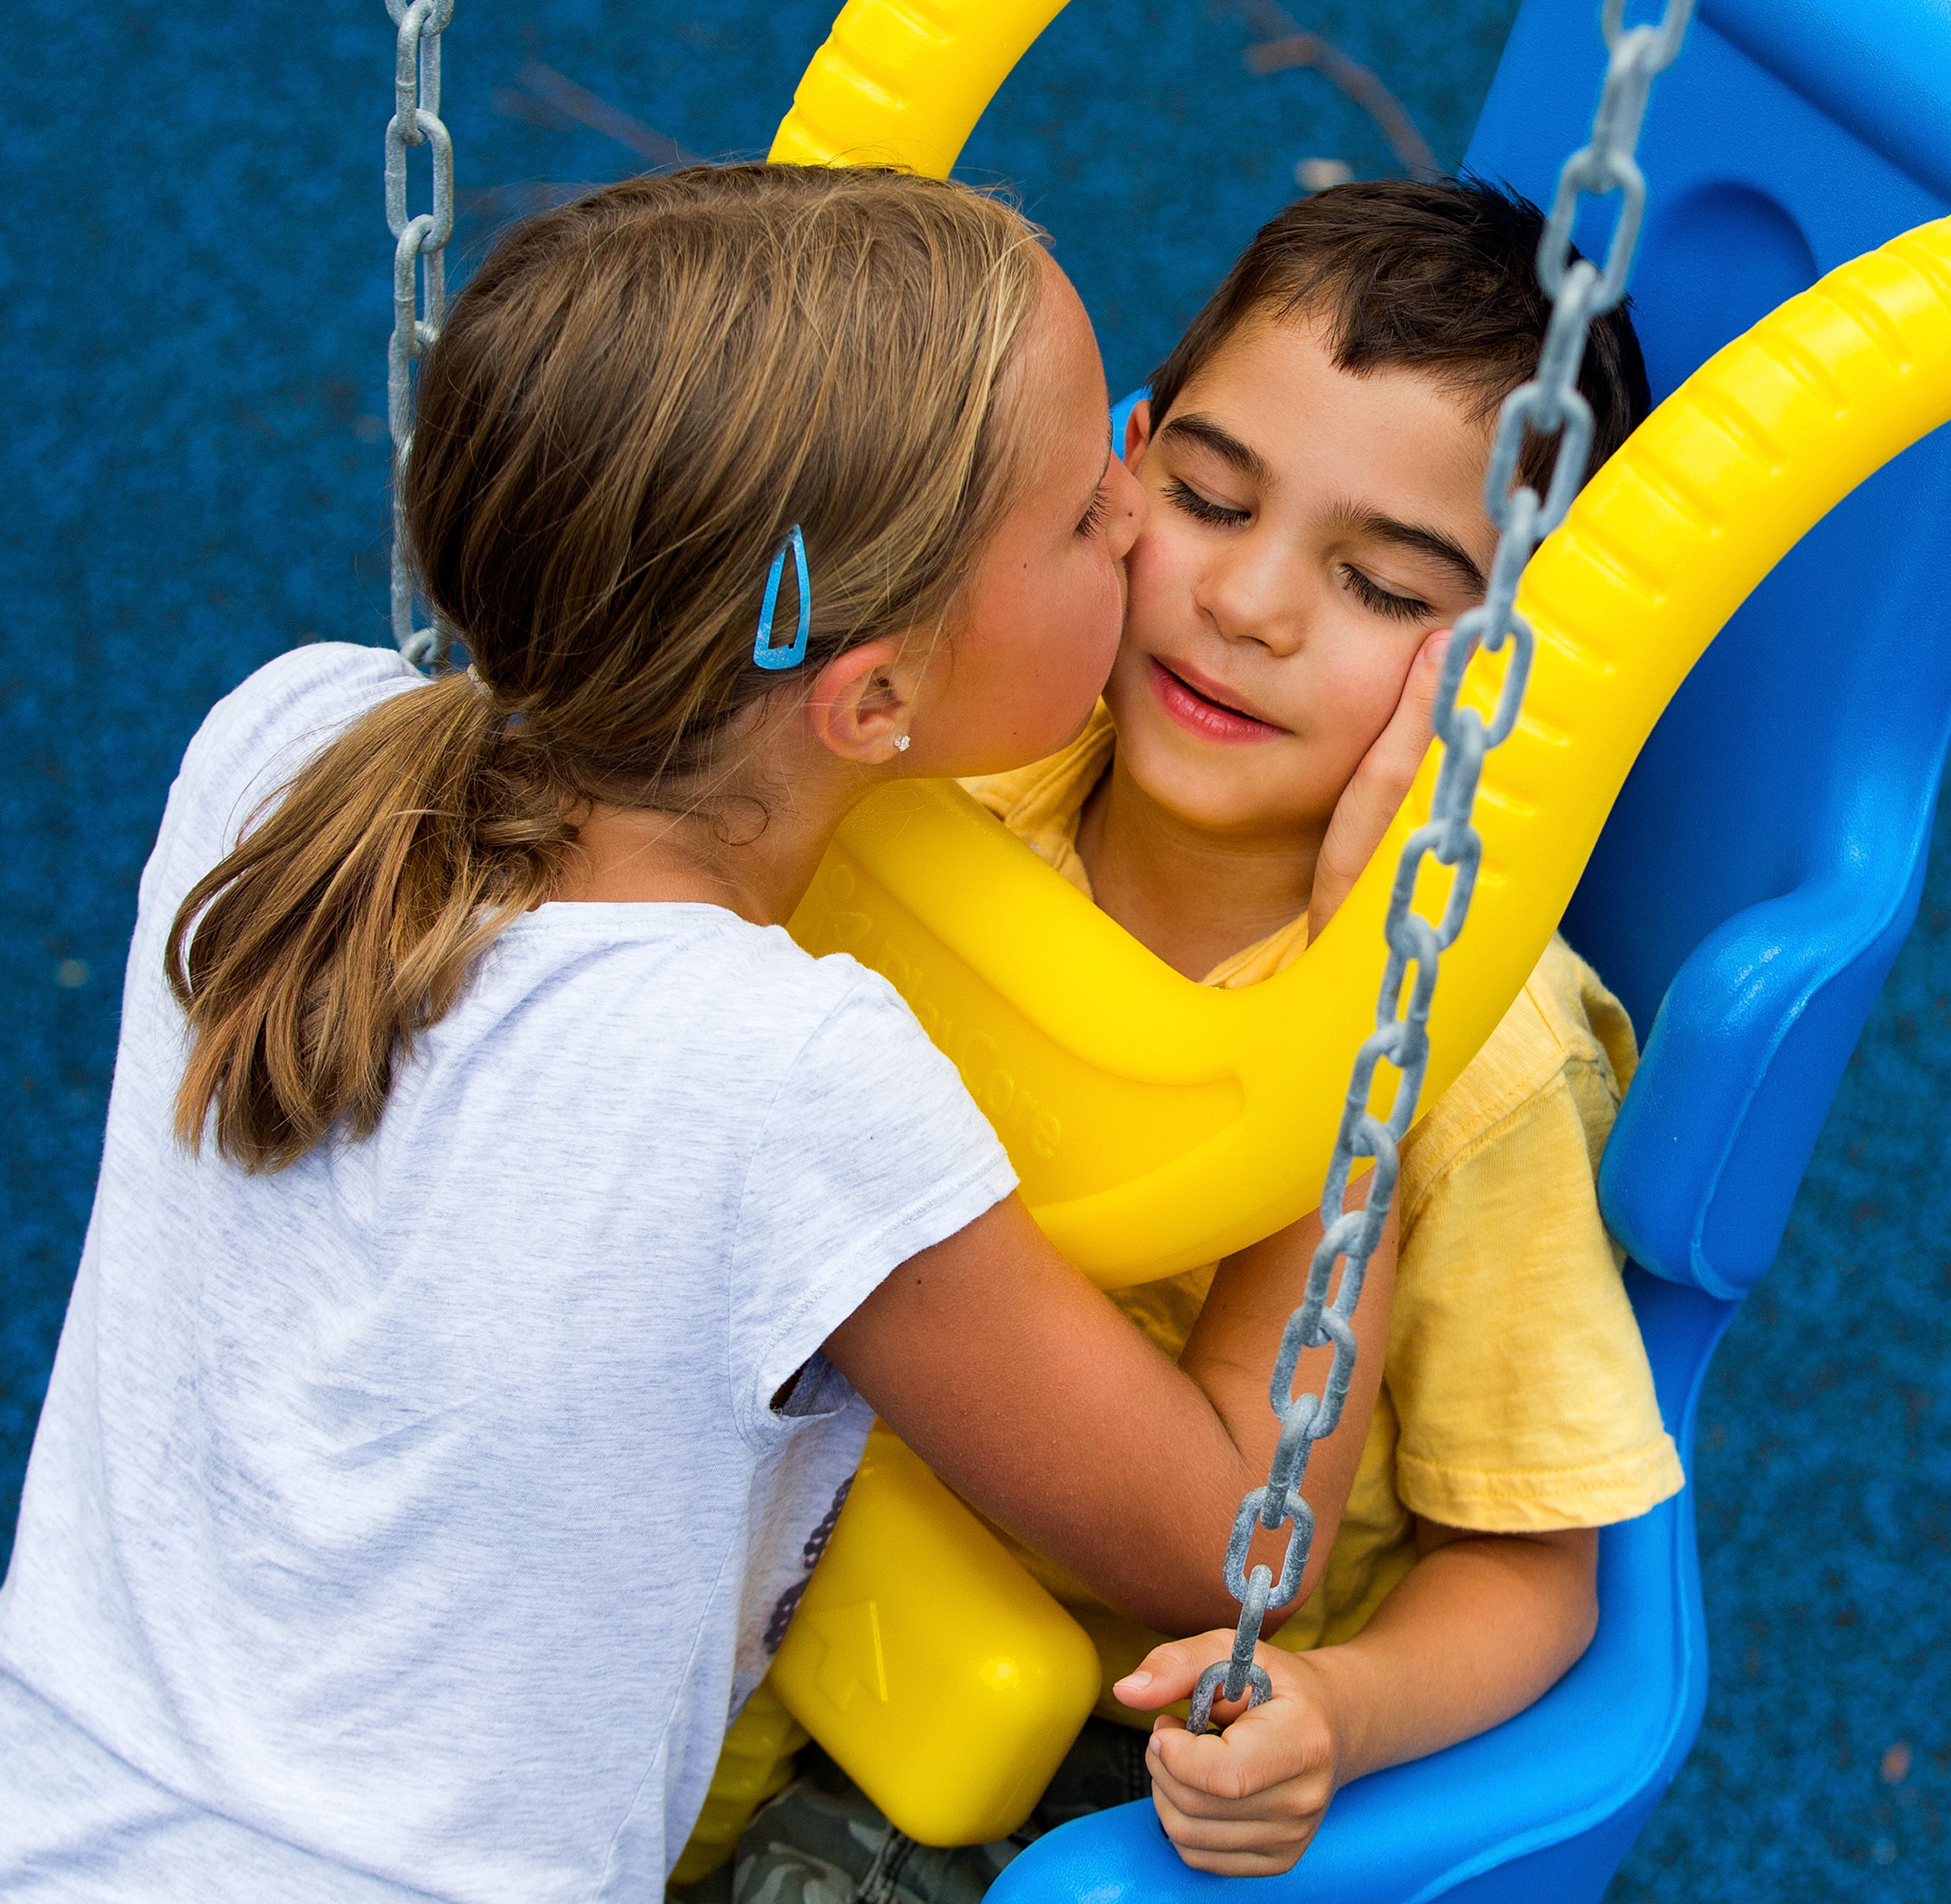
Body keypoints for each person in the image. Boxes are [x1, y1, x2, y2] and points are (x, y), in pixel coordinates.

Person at [0, 164, 1400, 1904]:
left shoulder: (278, 745)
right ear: (872, 699)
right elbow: (1230, 1541)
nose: (1134, 508)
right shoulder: (784, 1079)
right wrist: (1367, 993)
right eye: (1080, 515)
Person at [724, 175, 1685, 1898]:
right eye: (1208, 498)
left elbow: (1534, 1571)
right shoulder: (966, 779)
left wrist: (1342, 1710)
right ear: (1119, 469)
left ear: (1507, 679)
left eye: (1381, 585)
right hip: (837, 1517)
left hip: (1114, 1706)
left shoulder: (1486, 1056)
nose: (1247, 602)